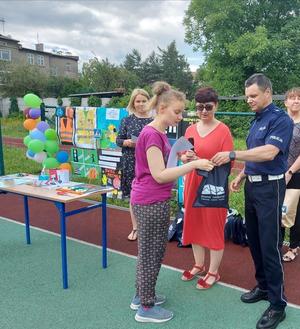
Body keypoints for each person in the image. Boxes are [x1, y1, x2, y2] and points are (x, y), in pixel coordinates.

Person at [212, 73, 293, 329]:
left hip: (272, 188)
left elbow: (269, 152)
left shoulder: (280, 120)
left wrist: (233, 154)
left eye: (253, 96)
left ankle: (278, 304)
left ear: (268, 92)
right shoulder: (257, 119)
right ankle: (264, 287)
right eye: (247, 96)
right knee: (254, 241)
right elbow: (255, 155)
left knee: (270, 245)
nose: (249, 100)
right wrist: (243, 174)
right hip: (253, 188)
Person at [130, 81, 214, 323]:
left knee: (150, 252)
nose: (181, 116)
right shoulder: (153, 134)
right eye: (177, 112)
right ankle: (145, 307)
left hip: (150, 198)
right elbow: (159, 175)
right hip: (150, 200)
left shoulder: (155, 133)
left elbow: (160, 167)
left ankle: (141, 296)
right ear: (162, 108)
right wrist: (193, 164)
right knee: (151, 254)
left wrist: (181, 157)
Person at [180, 87, 234, 289]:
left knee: (213, 226)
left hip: (213, 185)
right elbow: (184, 153)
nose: (204, 111)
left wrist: (205, 161)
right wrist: (185, 157)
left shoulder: (223, 131)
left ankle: (214, 271)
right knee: (193, 223)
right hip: (193, 181)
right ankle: (199, 264)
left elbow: (227, 161)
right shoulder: (190, 129)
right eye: (200, 107)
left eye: (208, 107)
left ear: (216, 106)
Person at [116, 89, 152, 241]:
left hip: (150, 162)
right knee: (134, 197)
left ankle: (149, 228)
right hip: (131, 161)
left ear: (148, 102)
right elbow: (118, 140)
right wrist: (126, 142)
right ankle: (136, 228)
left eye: (144, 101)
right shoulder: (127, 120)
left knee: (150, 196)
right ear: (133, 103)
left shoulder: (154, 121)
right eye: (138, 101)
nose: (141, 104)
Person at [281, 87, 300, 262]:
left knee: (294, 211)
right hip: (277, 172)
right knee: (277, 208)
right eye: (292, 98)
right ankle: (277, 244)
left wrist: (290, 171)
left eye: (299, 98)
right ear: (285, 101)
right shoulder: (280, 122)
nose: (296, 101)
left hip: (295, 173)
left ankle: (294, 247)